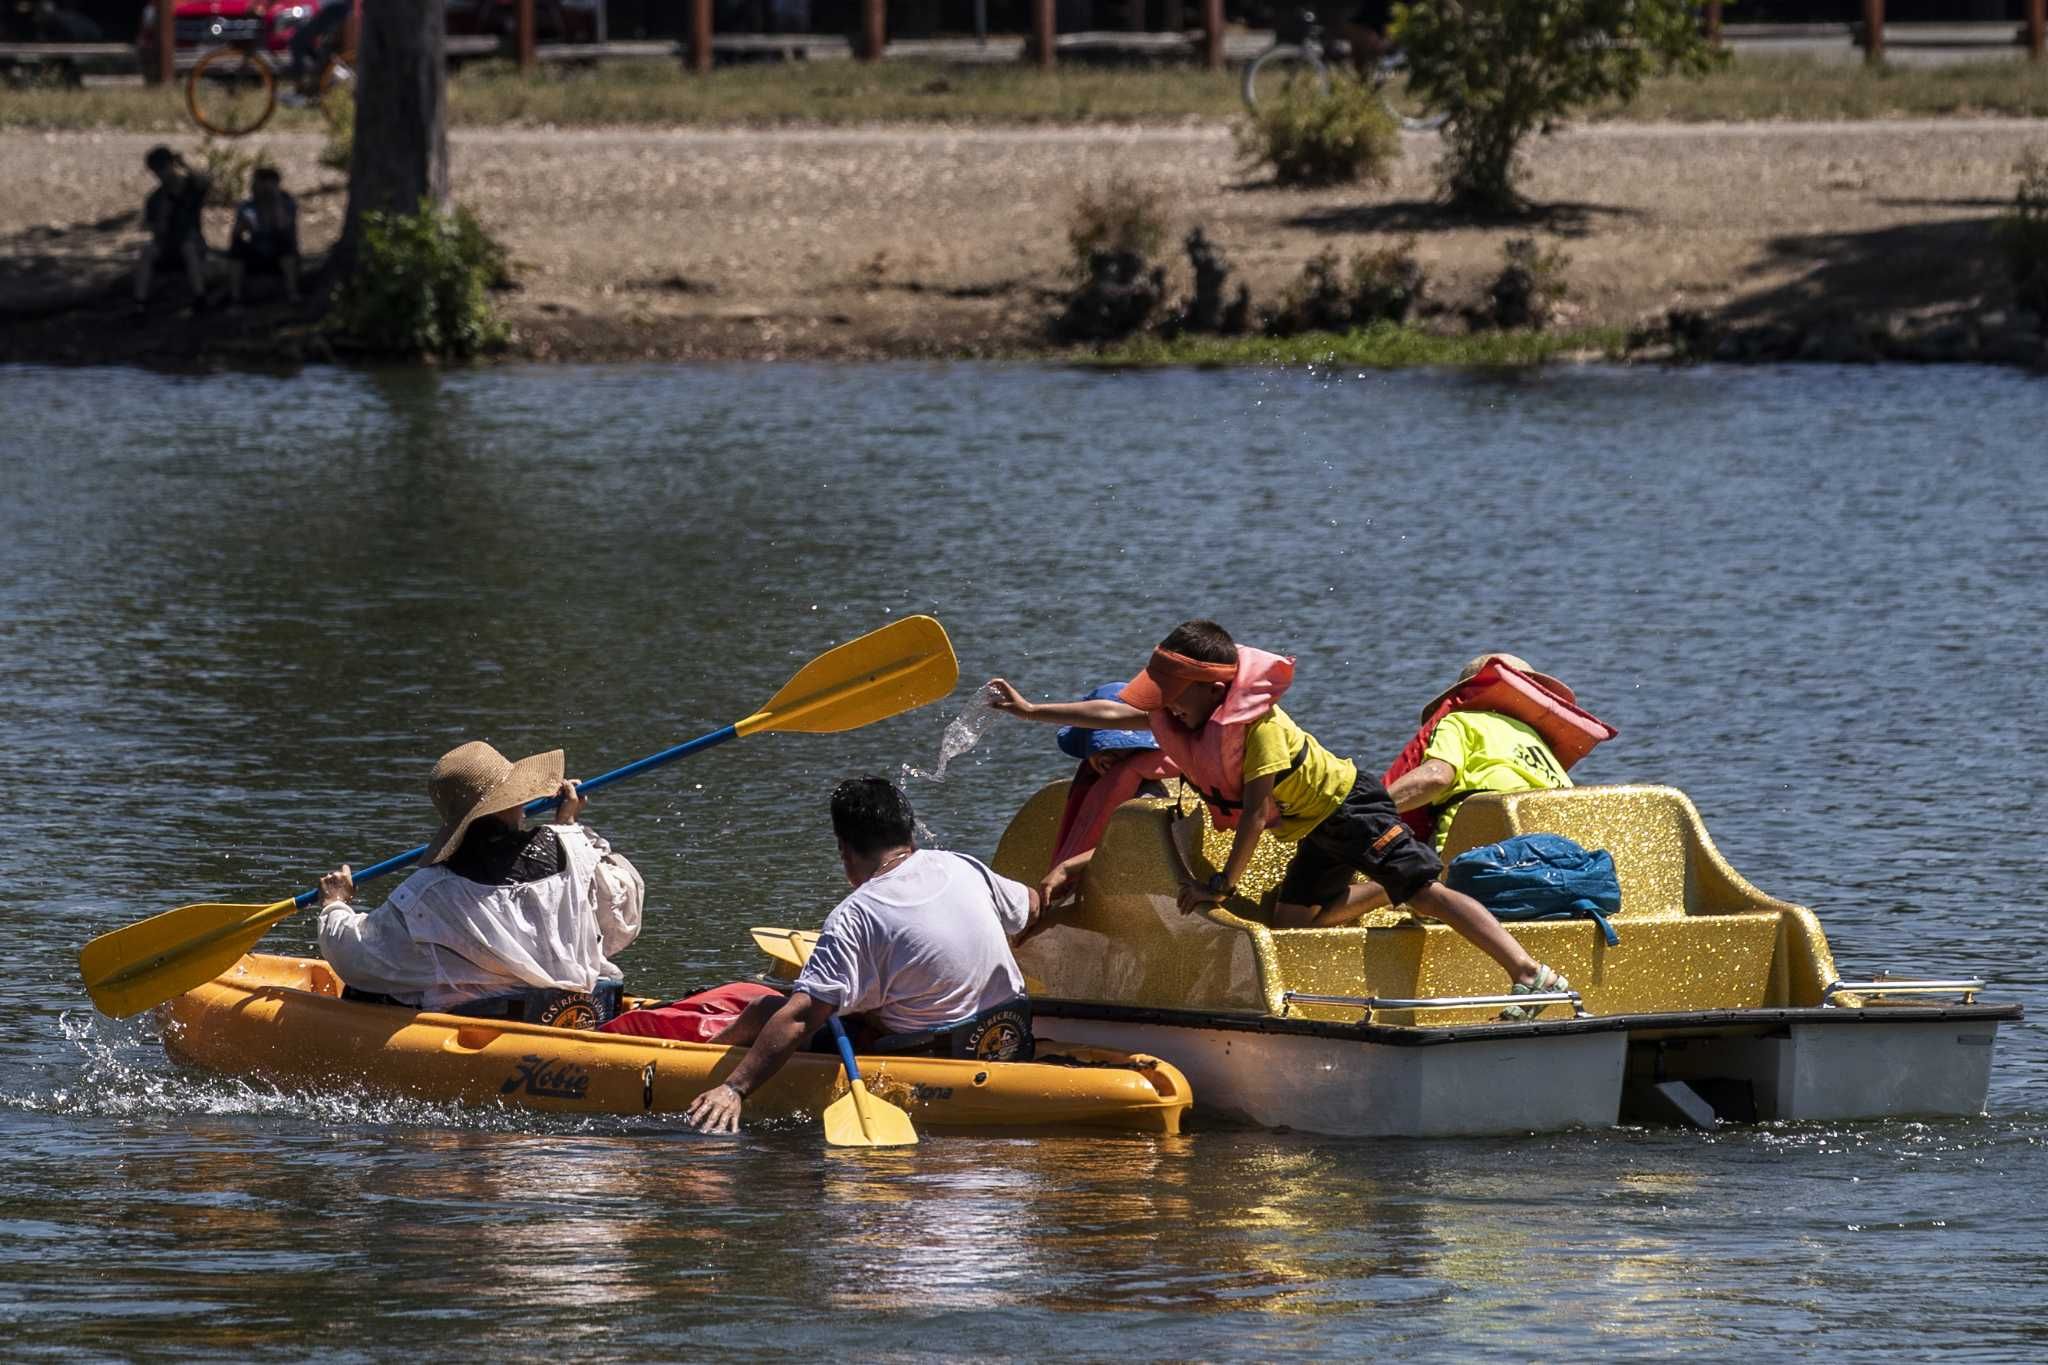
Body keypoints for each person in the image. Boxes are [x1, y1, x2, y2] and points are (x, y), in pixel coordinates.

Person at [987, 620, 1570, 1014]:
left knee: (1423, 891)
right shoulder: (1178, 715)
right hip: (1313, 827)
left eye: (1173, 689)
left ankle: (1528, 974)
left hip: (1351, 808)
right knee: (1292, 919)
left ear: (1215, 691)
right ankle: (1371, 918)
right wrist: (1030, 708)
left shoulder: (1259, 730)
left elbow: (1254, 815)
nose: (1161, 700)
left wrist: (1220, 885)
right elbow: (1111, 711)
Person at [683, 777, 1042, 1135]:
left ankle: (702, 1063)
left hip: (931, 1060)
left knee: (766, 1010)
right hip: (1009, 1039)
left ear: (844, 850)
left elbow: (800, 1018)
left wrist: (736, 1087)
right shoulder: (963, 865)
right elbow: (1032, 904)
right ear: (909, 833)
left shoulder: (855, 915)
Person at [314, 740, 644, 1021]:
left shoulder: (428, 892)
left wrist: (335, 905)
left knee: (362, 990)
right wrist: (570, 826)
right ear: (514, 798)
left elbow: (356, 957)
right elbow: (621, 919)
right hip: (571, 1014)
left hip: (491, 1019)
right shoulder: (572, 850)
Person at [1384, 652, 1608, 855]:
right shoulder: (1544, 748)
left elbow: (1435, 776)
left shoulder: (1461, 721)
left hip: (1474, 857)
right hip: (1557, 858)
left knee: (1400, 869)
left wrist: (1369, 807)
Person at [1040, 682, 1178, 909]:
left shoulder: (1148, 796)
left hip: (1147, 896)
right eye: (1100, 748)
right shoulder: (1093, 784)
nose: (1109, 757)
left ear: (1142, 750)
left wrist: (1067, 868)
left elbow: (1137, 845)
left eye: (1121, 748)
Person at [134, 146, 209, 317]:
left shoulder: (191, 187)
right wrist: (162, 218)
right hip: (168, 245)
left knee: (188, 247)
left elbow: (205, 182)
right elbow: (153, 227)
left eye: (163, 168)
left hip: (192, 243)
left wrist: (185, 164)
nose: (161, 175)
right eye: (157, 171)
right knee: (147, 252)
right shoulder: (156, 198)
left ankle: (200, 297)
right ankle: (140, 303)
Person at [227, 167, 302, 307]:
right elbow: (236, 234)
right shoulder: (247, 206)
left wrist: (275, 200)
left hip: (279, 254)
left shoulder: (287, 203)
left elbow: (283, 227)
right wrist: (244, 226)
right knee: (236, 248)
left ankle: (292, 293)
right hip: (256, 251)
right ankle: (235, 298)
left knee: (286, 244)